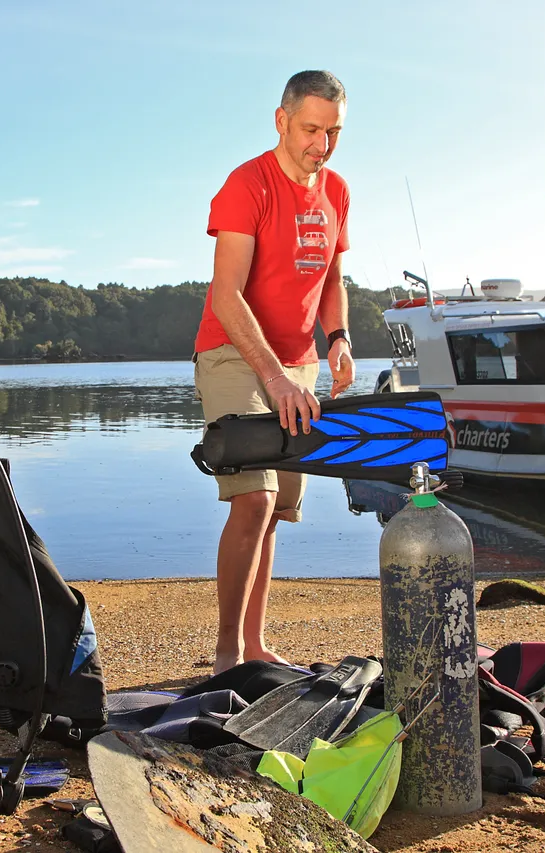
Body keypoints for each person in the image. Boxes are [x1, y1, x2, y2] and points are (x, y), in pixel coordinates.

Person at [192, 70, 355, 675]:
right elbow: (226, 295)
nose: (322, 144)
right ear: (282, 120)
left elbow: (333, 279)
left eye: (334, 131)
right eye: (311, 129)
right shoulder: (247, 185)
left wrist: (336, 339)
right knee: (253, 500)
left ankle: (256, 646)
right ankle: (228, 653)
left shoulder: (336, 190)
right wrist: (275, 376)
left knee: (279, 509)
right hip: (234, 351)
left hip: (300, 360)